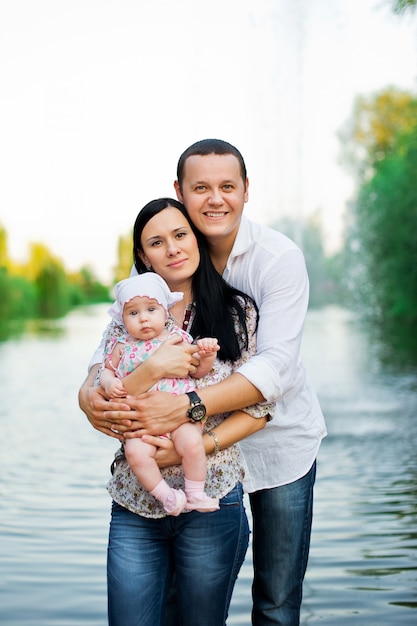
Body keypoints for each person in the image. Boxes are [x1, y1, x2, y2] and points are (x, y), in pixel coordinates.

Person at [80, 197, 271, 626]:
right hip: (135, 503)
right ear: (143, 257)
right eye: (156, 242)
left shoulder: (236, 313)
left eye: (180, 234)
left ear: (197, 238)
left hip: (213, 500)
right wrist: (151, 369)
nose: (172, 248)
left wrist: (194, 442)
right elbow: (101, 395)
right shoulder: (128, 318)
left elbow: (260, 409)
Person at [100, 272, 220, 515]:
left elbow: (197, 372)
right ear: (122, 318)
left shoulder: (179, 339)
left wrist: (207, 356)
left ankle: (195, 494)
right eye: (133, 313)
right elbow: (106, 371)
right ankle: (166, 496)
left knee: (193, 444)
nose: (143, 319)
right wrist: (109, 381)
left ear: (166, 311)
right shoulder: (122, 347)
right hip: (141, 426)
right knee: (135, 453)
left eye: (151, 310)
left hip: (179, 418)